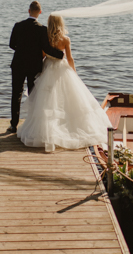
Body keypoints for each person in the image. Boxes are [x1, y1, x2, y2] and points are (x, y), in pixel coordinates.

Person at [17, 15, 112, 152]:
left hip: (48, 68)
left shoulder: (46, 38)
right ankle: (66, 127)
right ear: (61, 24)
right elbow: (70, 58)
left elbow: (43, 54)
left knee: (47, 101)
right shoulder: (65, 39)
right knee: (66, 99)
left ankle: (46, 131)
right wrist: (74, 73)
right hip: (62, 69)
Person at [8, 1, 64, 133]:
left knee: (16, 94)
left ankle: (13, 125)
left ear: (29, 11)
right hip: (34, 65)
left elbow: (11, 45)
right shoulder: (42, 29)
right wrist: (60, 54)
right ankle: (31, 123)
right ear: (40, 12)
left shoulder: (18, 26)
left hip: (18, 64)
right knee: (33, 94)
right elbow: (47, 49)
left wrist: (22, 50)